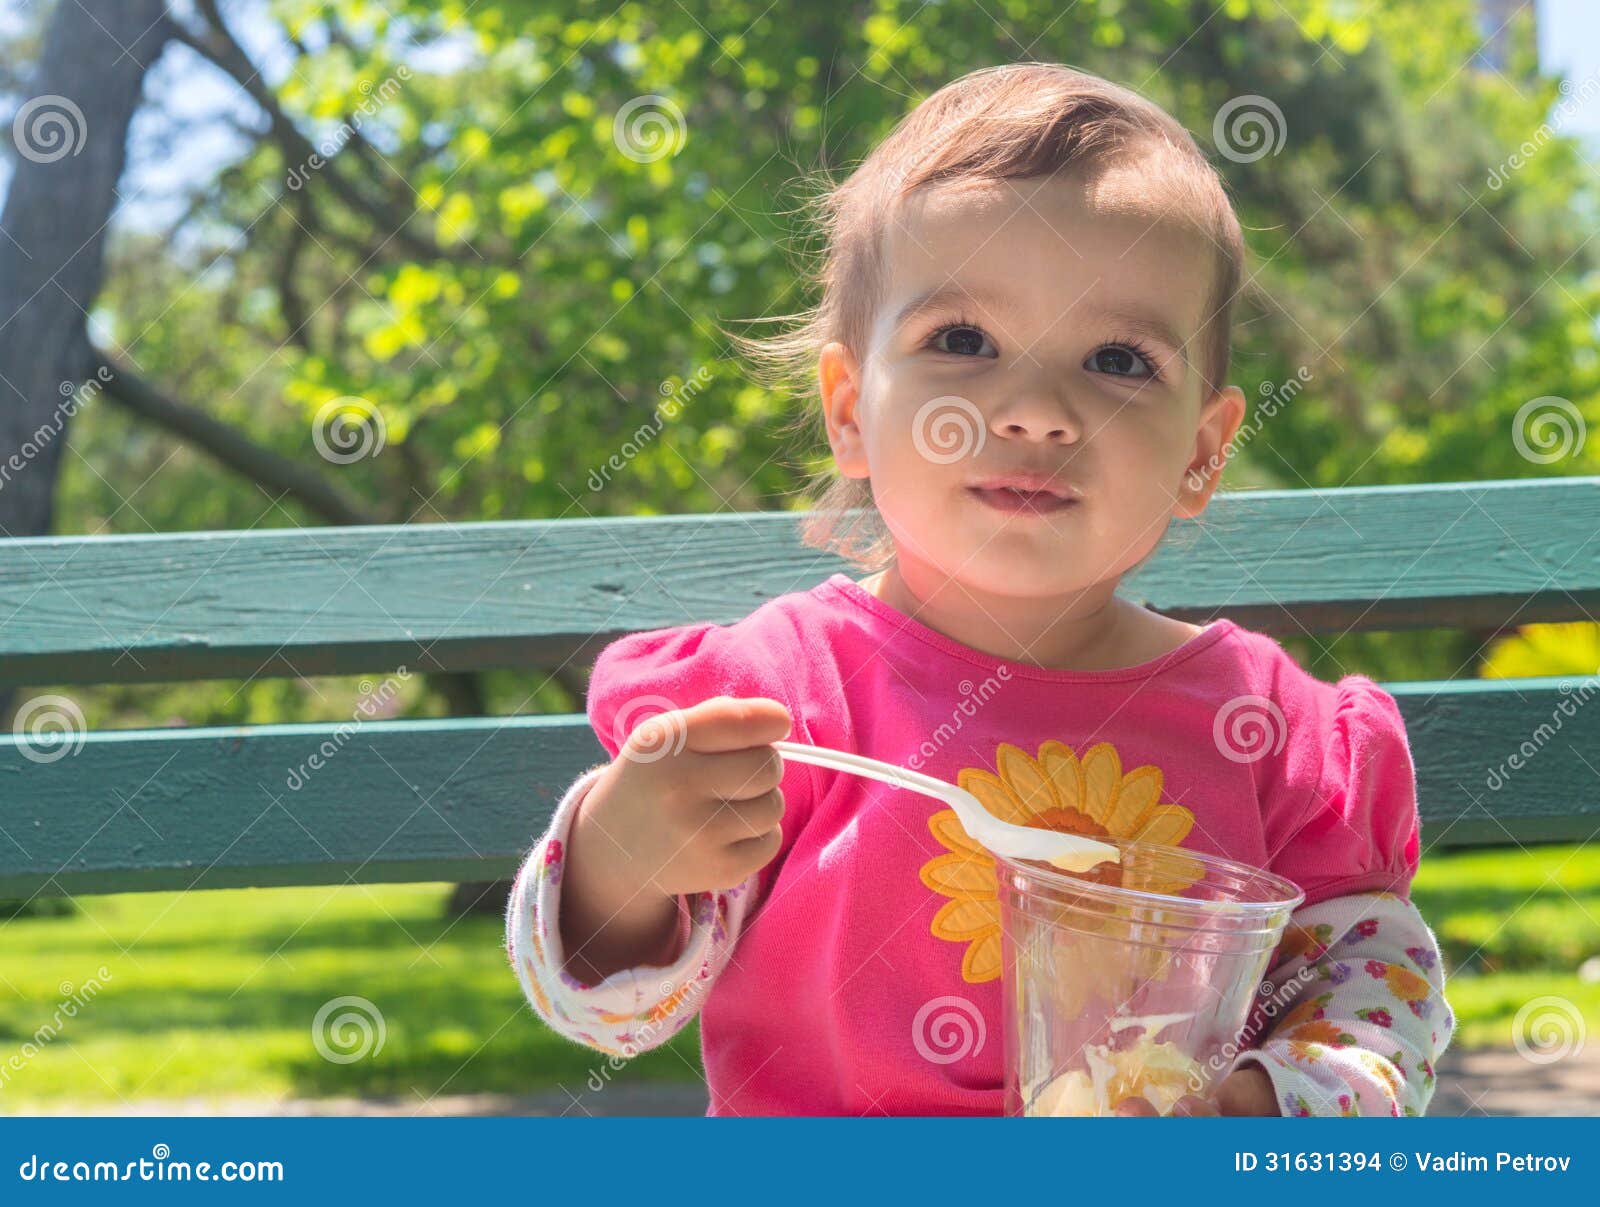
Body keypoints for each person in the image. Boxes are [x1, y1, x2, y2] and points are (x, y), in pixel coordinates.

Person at [504, 62, 1453, 1117]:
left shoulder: (1267, 730)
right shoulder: (781, 700)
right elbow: (609, 1013)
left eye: (1117, 359)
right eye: (962, 342)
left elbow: (1373, 995)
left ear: (1202, 449)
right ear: (850, 411)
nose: (1036, 409)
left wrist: (1264, 1104)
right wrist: (619, 866)